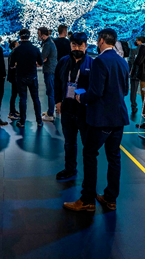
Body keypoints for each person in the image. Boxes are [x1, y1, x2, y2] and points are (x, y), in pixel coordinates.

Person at [64, 28, 129, 212]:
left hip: (101, 119)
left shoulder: (99, 61)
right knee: (114, 158)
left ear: (101, 41)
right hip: (118, 118)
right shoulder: (122, 61)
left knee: (89, 154)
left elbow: (95, 92)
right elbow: (125, 90)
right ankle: (110, 198)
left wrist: (81, 97)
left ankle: (87, 200)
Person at [54, 32, 93, 180]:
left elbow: (95, 88)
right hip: (67, 108)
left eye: (79, 45)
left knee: (87, 144)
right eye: (73, 45)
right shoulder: (63, 62)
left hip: (84, 110)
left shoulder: (92, 64)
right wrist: (58, 101)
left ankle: (89, 174)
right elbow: (57, 82)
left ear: (85, 46)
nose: (76, 48)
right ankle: (70, 168)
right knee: (69, 143)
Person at [10, 29, 43, 128]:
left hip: (21, 77)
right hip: (33, 76)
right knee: (35, 98)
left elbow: (12, 65)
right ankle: (39, 121)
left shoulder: (16, 50)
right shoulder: (35, 49)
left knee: (22, 99)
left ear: (20, 37)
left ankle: (22, 121)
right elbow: (40, 63)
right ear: (29, 36)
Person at [38, 27, 57, 122]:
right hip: (51, 69)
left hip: (49, 70)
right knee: (50, 91)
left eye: (38, 34)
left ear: (42, 35)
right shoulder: (49, 42)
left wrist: (41, 61)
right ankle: (50, 110)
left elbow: (42, 58)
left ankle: (50, 114)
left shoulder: (47, 45)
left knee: (50, 92)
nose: (38, 36)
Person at [128, 36, 145, 114]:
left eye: (137, 40)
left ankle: (133, 106)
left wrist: (129, 72)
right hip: (144, 73)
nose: (136, 41)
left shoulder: (133, 50)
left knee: (133, 90)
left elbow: (130, 61)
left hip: (134, 72)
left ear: (140, 41)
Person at [7, 40, 20, 121]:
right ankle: (11, 112)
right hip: (14, 77)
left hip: (14, 77)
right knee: (14, 94)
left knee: (14, 94)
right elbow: (12, 65)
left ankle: (13, 110)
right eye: (17, 44)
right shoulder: (13, 54)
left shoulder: (13, 53)